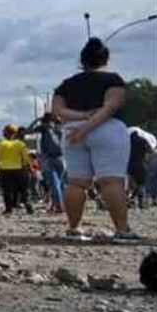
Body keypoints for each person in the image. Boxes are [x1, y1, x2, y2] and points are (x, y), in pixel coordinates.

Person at [52, 38, 140, 243]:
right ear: (105, 59)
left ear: (82, 61)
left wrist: (81, 120)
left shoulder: (66, 84)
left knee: (76, 182)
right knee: (111, 181)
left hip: (71, 131)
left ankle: (74, 229)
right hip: (107, 130)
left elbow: (58, 110)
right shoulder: (112, 80)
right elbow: (110, 107)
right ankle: (122, 230)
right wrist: (87, 127)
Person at [24, 113, 65, 213]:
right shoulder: (59, 127)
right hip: (61, 157)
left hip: (47, 158)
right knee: (62, 183)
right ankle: (66, 204)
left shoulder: (43, 128)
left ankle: (59, 206)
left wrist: (36, 121)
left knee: (54, 183)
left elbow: (27, 131)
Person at [0, 124, 34, 215]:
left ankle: (9, 209)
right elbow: (26, 158)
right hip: (19, 169)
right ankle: (27, 204)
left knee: (7, 190)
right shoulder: (20, 144)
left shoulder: (1, 144)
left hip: (5, 169)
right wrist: (30, 168)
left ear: (6, 133)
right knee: (23, 189)